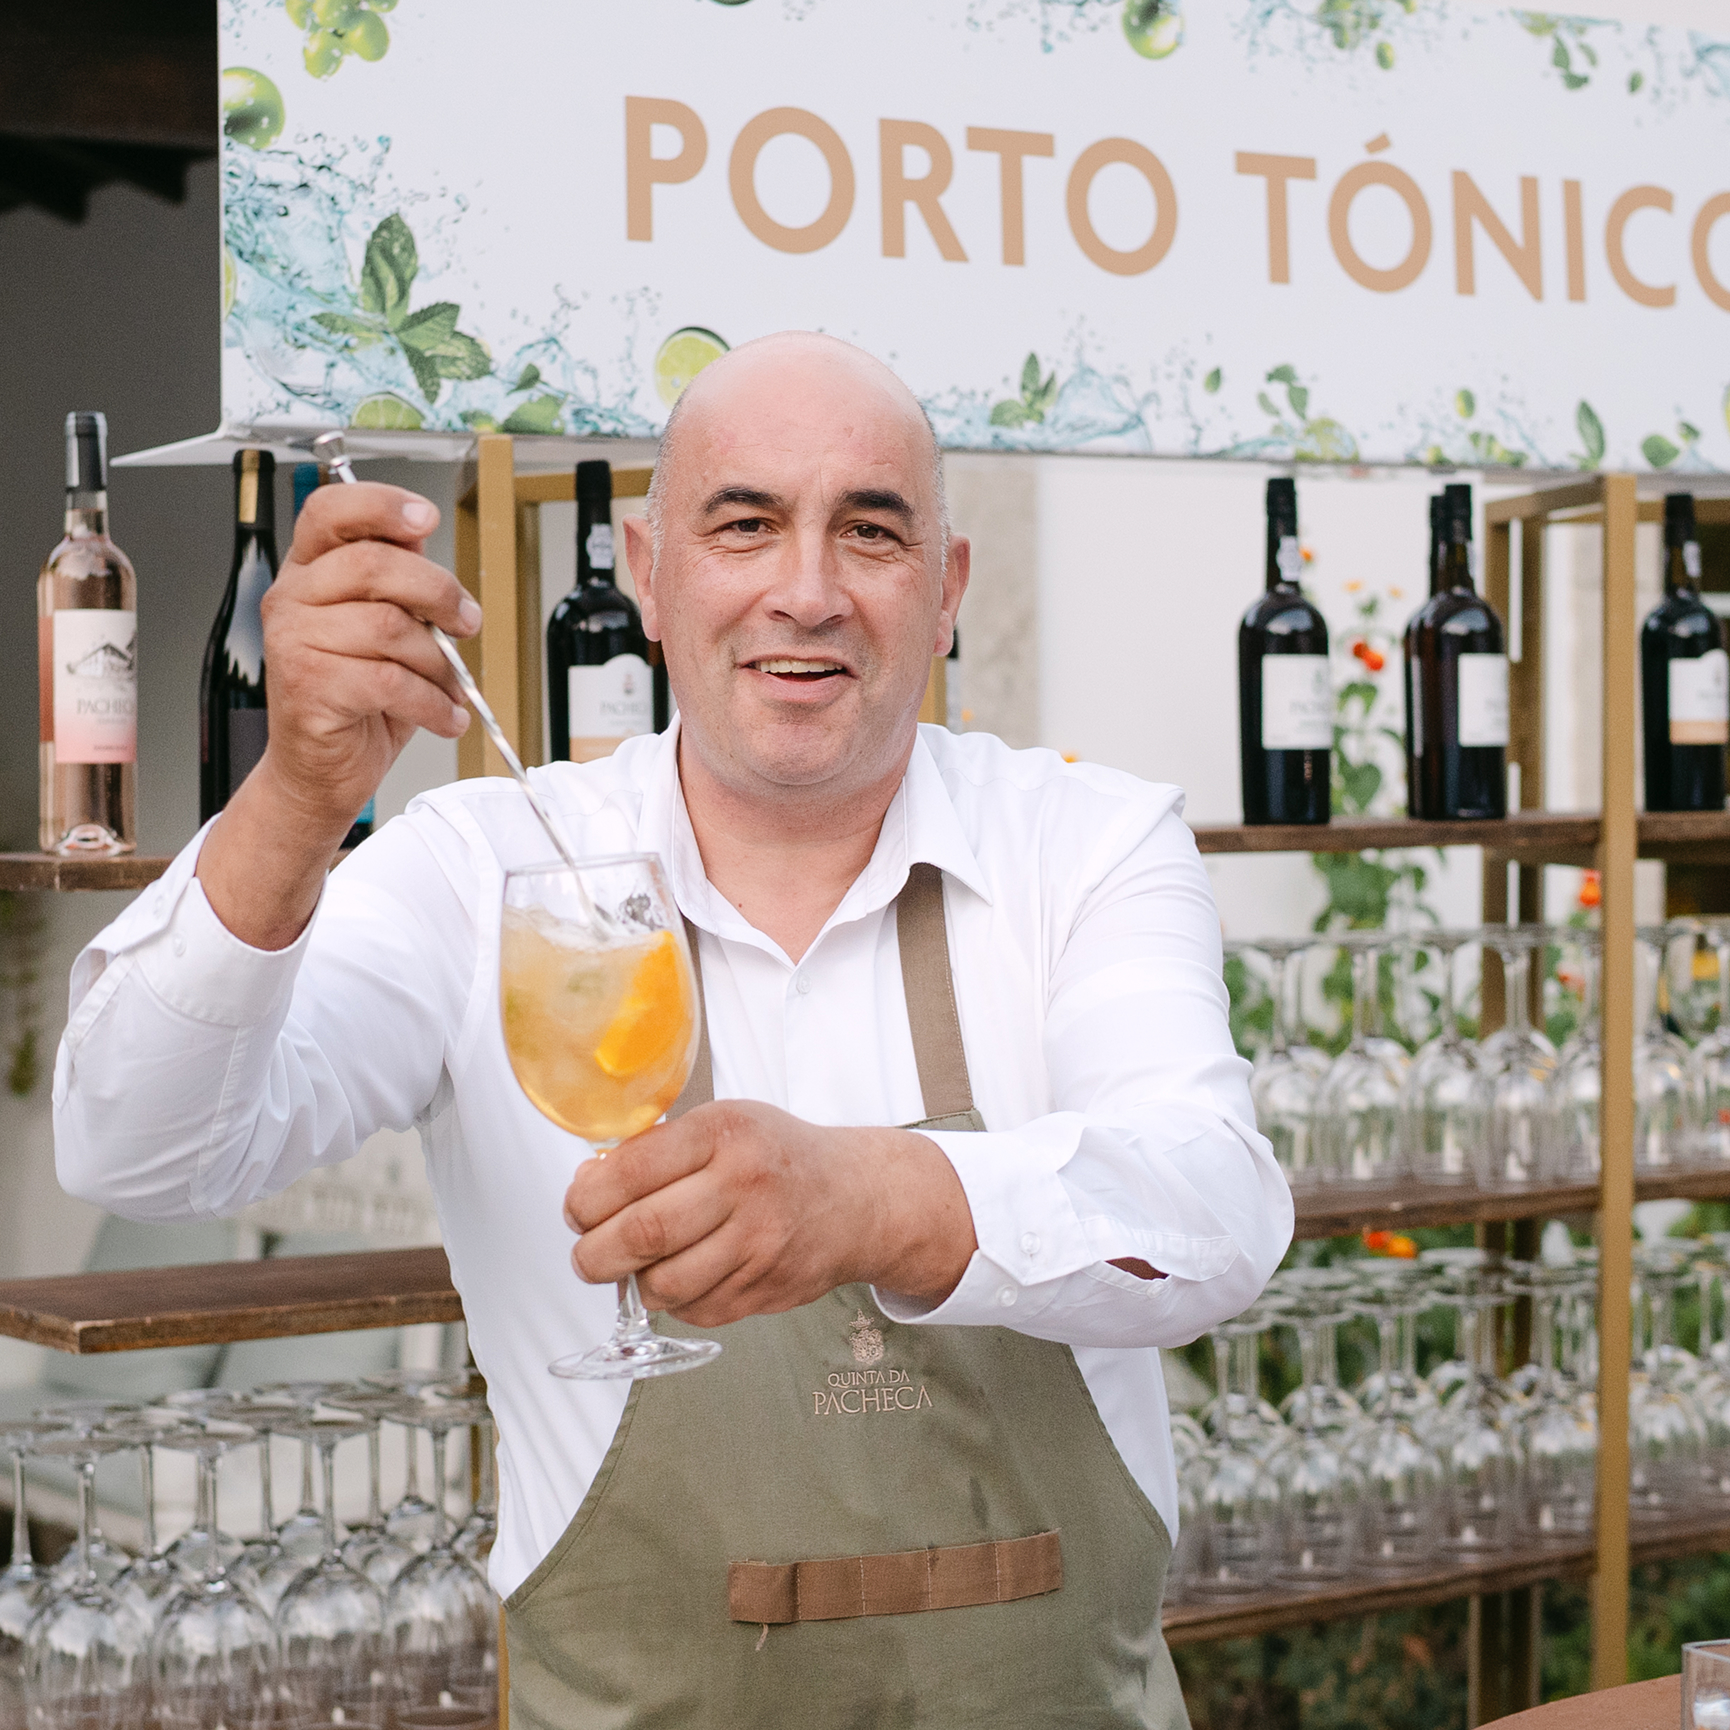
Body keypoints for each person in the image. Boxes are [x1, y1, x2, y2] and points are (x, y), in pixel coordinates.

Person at [55, 332, 1290, 1728]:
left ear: (946, 590)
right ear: (647, 574)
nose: (806, 591)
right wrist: (295, 796)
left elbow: (1212, 1206)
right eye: (744, 525)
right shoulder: (482, 865)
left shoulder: (1088, 841)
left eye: (870, 531)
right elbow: (134, 1145)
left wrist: (876, 1197)